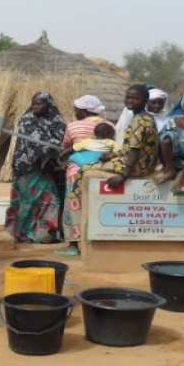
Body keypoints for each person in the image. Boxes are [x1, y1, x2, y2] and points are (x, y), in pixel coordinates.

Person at [6, 91, 68, 244]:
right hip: (27, 167)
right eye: (33, 103)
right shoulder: (28, 119)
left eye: (39, 104)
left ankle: (42, 234)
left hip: (47, 169)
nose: (35, 107)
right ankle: (19, 233)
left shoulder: (57, 120)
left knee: (49, 199)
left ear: (48, 105)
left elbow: (61, 139)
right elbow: (37, 143)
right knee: (26, 201)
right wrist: (55, 149)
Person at [58, 95, 110, 255]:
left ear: (83, 111)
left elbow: (66, 146)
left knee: (73, 207)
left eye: (76, 110)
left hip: (75, 172)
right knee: (97, 207)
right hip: (101, 173)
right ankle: (97, 244)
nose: (74, 112)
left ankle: (74, 246)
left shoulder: (73, 127)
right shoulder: (108, 125)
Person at [98, 84, 160, 191]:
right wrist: (115, 154)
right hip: (149, 165)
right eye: (128, 97)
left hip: (138, 168)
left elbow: (135, 150)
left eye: (136, 98)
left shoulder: (138, 121)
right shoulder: (147, 117)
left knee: (88, 167)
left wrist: (123, 175)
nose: (130, 101)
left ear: (145, 101)